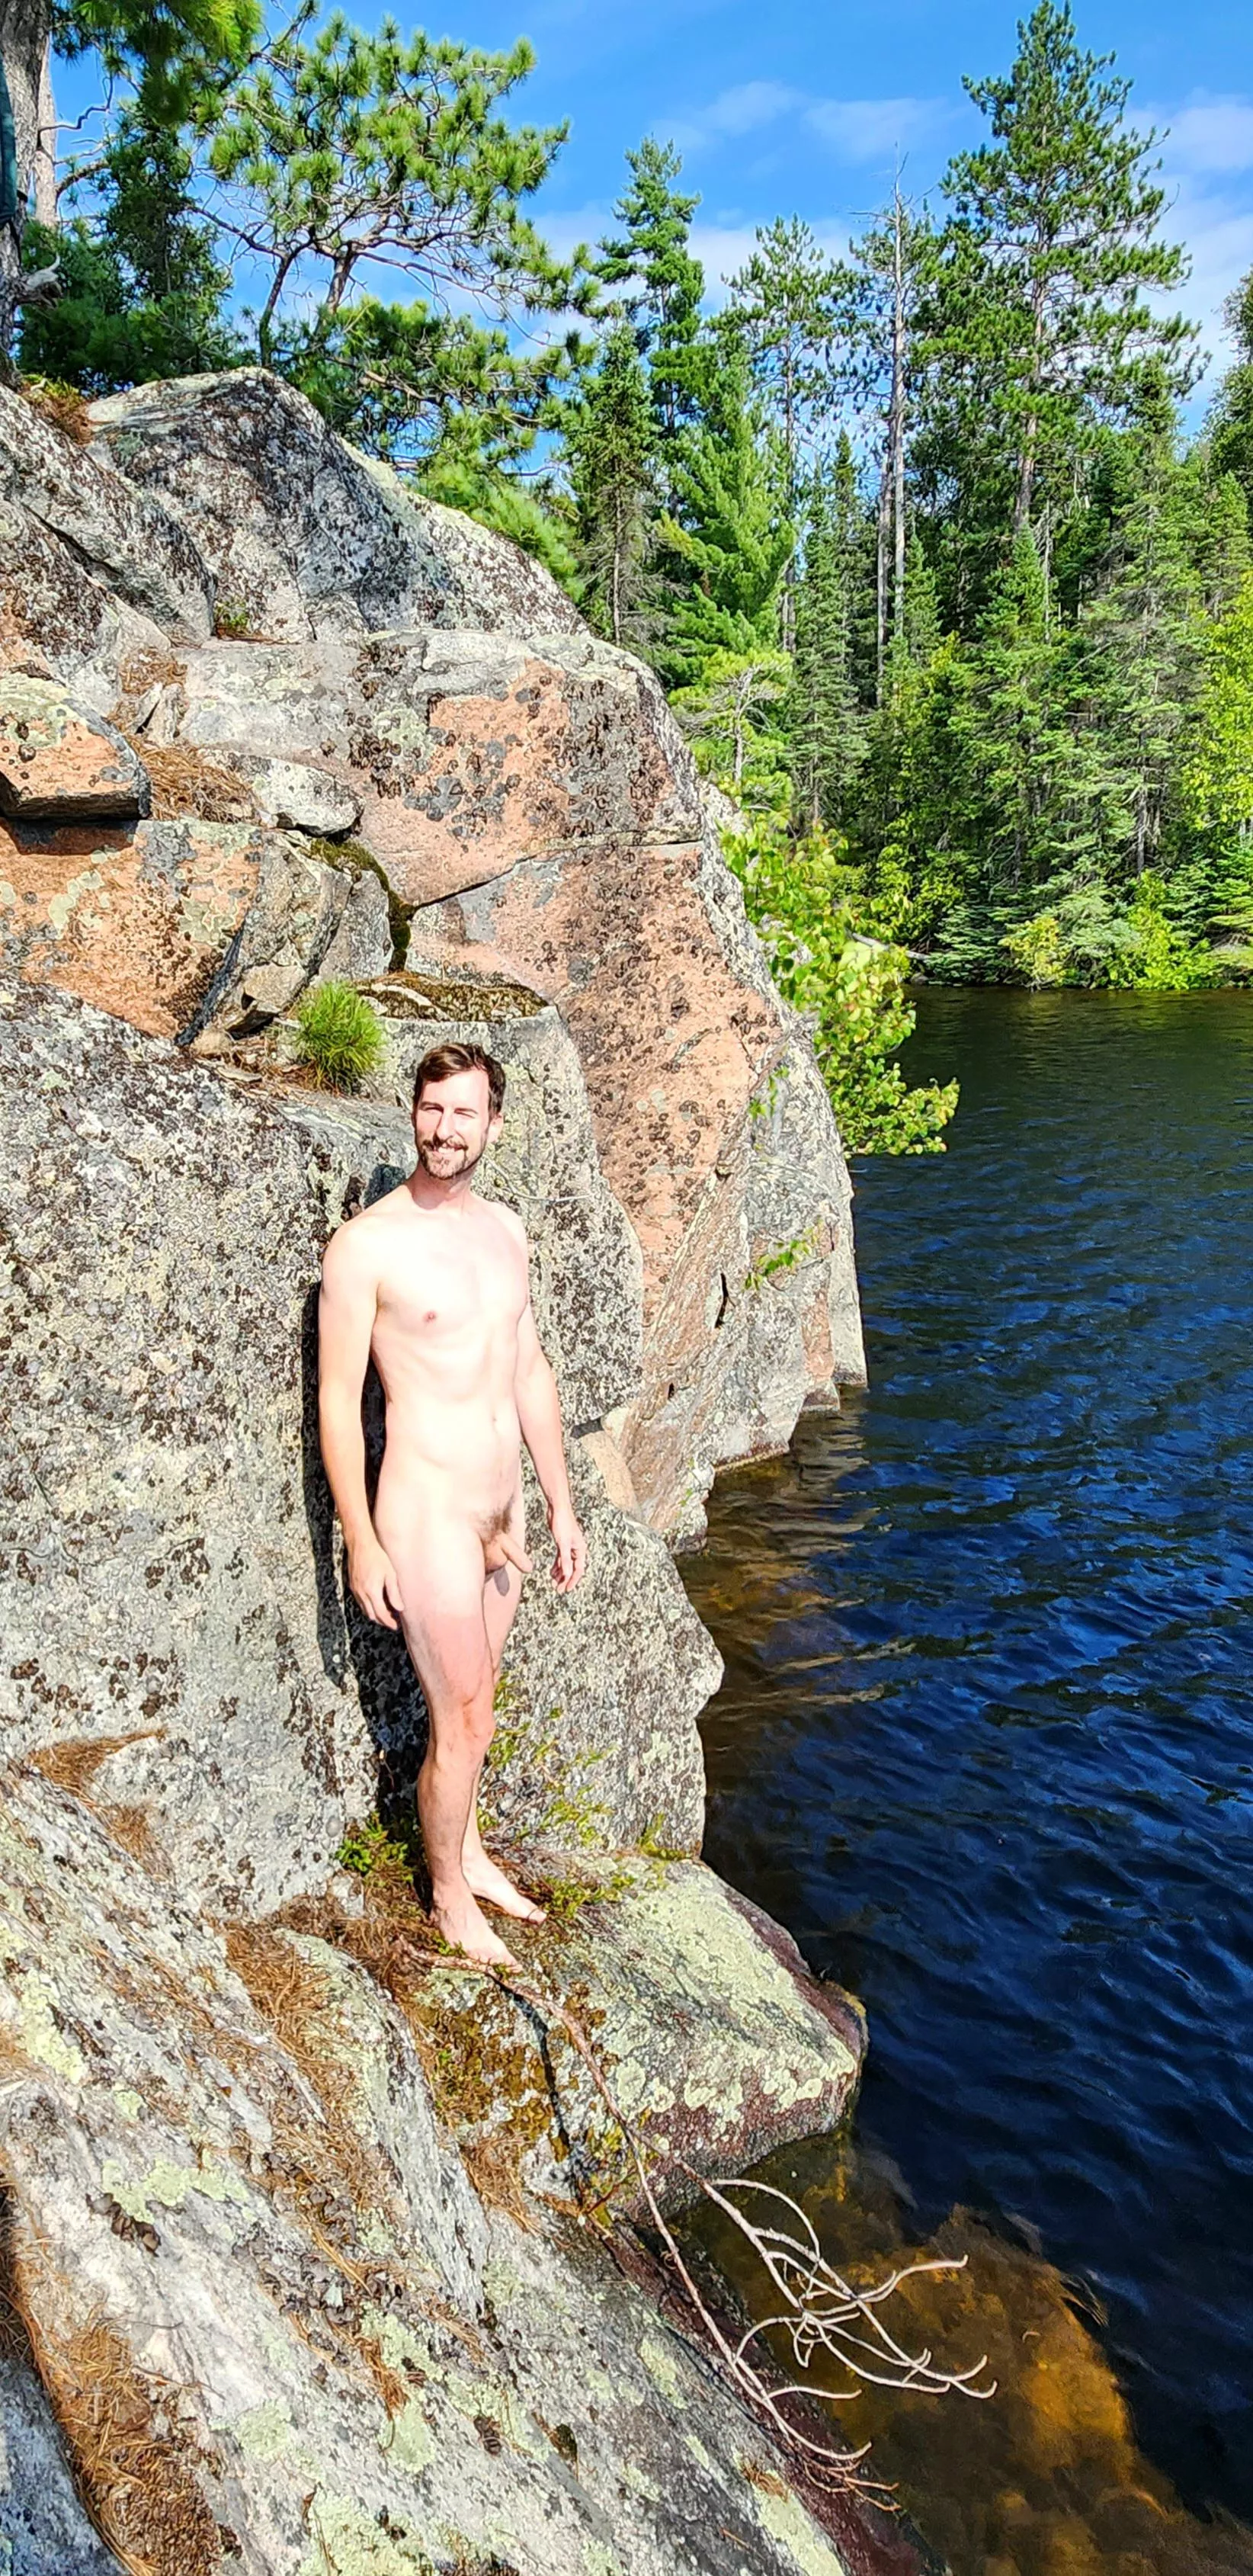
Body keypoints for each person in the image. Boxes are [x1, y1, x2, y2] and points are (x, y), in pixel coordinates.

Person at [317, 1040, 588, 1967]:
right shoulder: (368, 1246)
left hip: (502, 1515)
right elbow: (338, 1402)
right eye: (432, 1109)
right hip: (426, 1511)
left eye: (464, 1112)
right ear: (413, 1114)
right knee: (465, 1715)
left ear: (493, 1125)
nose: (445, 1129)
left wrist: (560, 1503)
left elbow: (529, 1368)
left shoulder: (507, 1230)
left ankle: (468, 1853)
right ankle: (445, 1897)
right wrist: (360, 1538)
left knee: (478, 1707)